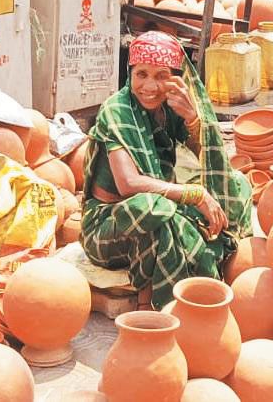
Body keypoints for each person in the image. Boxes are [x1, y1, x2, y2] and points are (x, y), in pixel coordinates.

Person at [81, 31, 252, 310]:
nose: (150, 86)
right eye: (141, 74)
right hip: (109, 226)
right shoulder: (116, 110)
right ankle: (153, 302)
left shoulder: (170, 106)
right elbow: (128, 184)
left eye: (161, 76)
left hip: (158, 205)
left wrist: (193, 119)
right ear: (130, 73)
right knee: (156, 209)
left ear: (176, 78)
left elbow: (208, 158)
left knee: (237, 183)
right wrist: (193, 194)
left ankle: (222, 271)